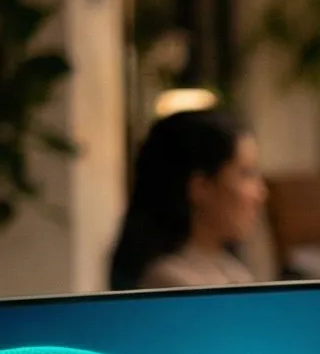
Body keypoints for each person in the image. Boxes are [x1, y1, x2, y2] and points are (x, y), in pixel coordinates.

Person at [106, 109, 267, 290]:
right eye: (246, 174)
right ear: (201, 187)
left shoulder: (234, 271)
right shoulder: (170, 284)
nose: (260, 193)